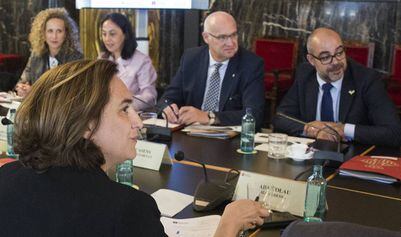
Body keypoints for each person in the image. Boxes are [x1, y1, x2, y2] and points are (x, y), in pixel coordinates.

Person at [0, 59, 269, 236]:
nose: (137, 120)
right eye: (124, 109)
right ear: (85, 124)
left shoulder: (6, 179)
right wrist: (228, 225)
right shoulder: (127, 210)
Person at [273, 27, 401, 147]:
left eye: (339, 52)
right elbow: (281, 117)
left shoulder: (366, 79)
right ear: (312, 60)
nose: (336, 62)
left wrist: (343, 129)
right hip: (312, 154)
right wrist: (310, 129)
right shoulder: (305, 75)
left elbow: (393, 132)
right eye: (325, 57)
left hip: (352, 154)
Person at [160, 11, 265, 127]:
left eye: (234, 35)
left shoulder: (251, 64)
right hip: (190, 133)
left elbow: (254, 115)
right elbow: (167, 99)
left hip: (228, 138)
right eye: (222, 37)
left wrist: (208, 117)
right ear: (206, 37)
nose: (231, 43)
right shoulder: (191, 58)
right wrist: (167, 108)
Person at [16, 7, 83, 98]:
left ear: (66, 34)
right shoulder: (36, 55)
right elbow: (23, 81)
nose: (54, 36)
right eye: (50, 31)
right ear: (43, 33)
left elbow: (72, 92)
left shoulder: (76, 58)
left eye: (59, 31)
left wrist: (34, 91)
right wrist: (22, 88)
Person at [100, 13, 157, 111]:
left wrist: (125, 105)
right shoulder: (102, 59)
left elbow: (149, 97)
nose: (107, 39)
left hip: (128, 114)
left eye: (112, 34)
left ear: (125, 34)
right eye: (104, 34)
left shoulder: (142, 61)